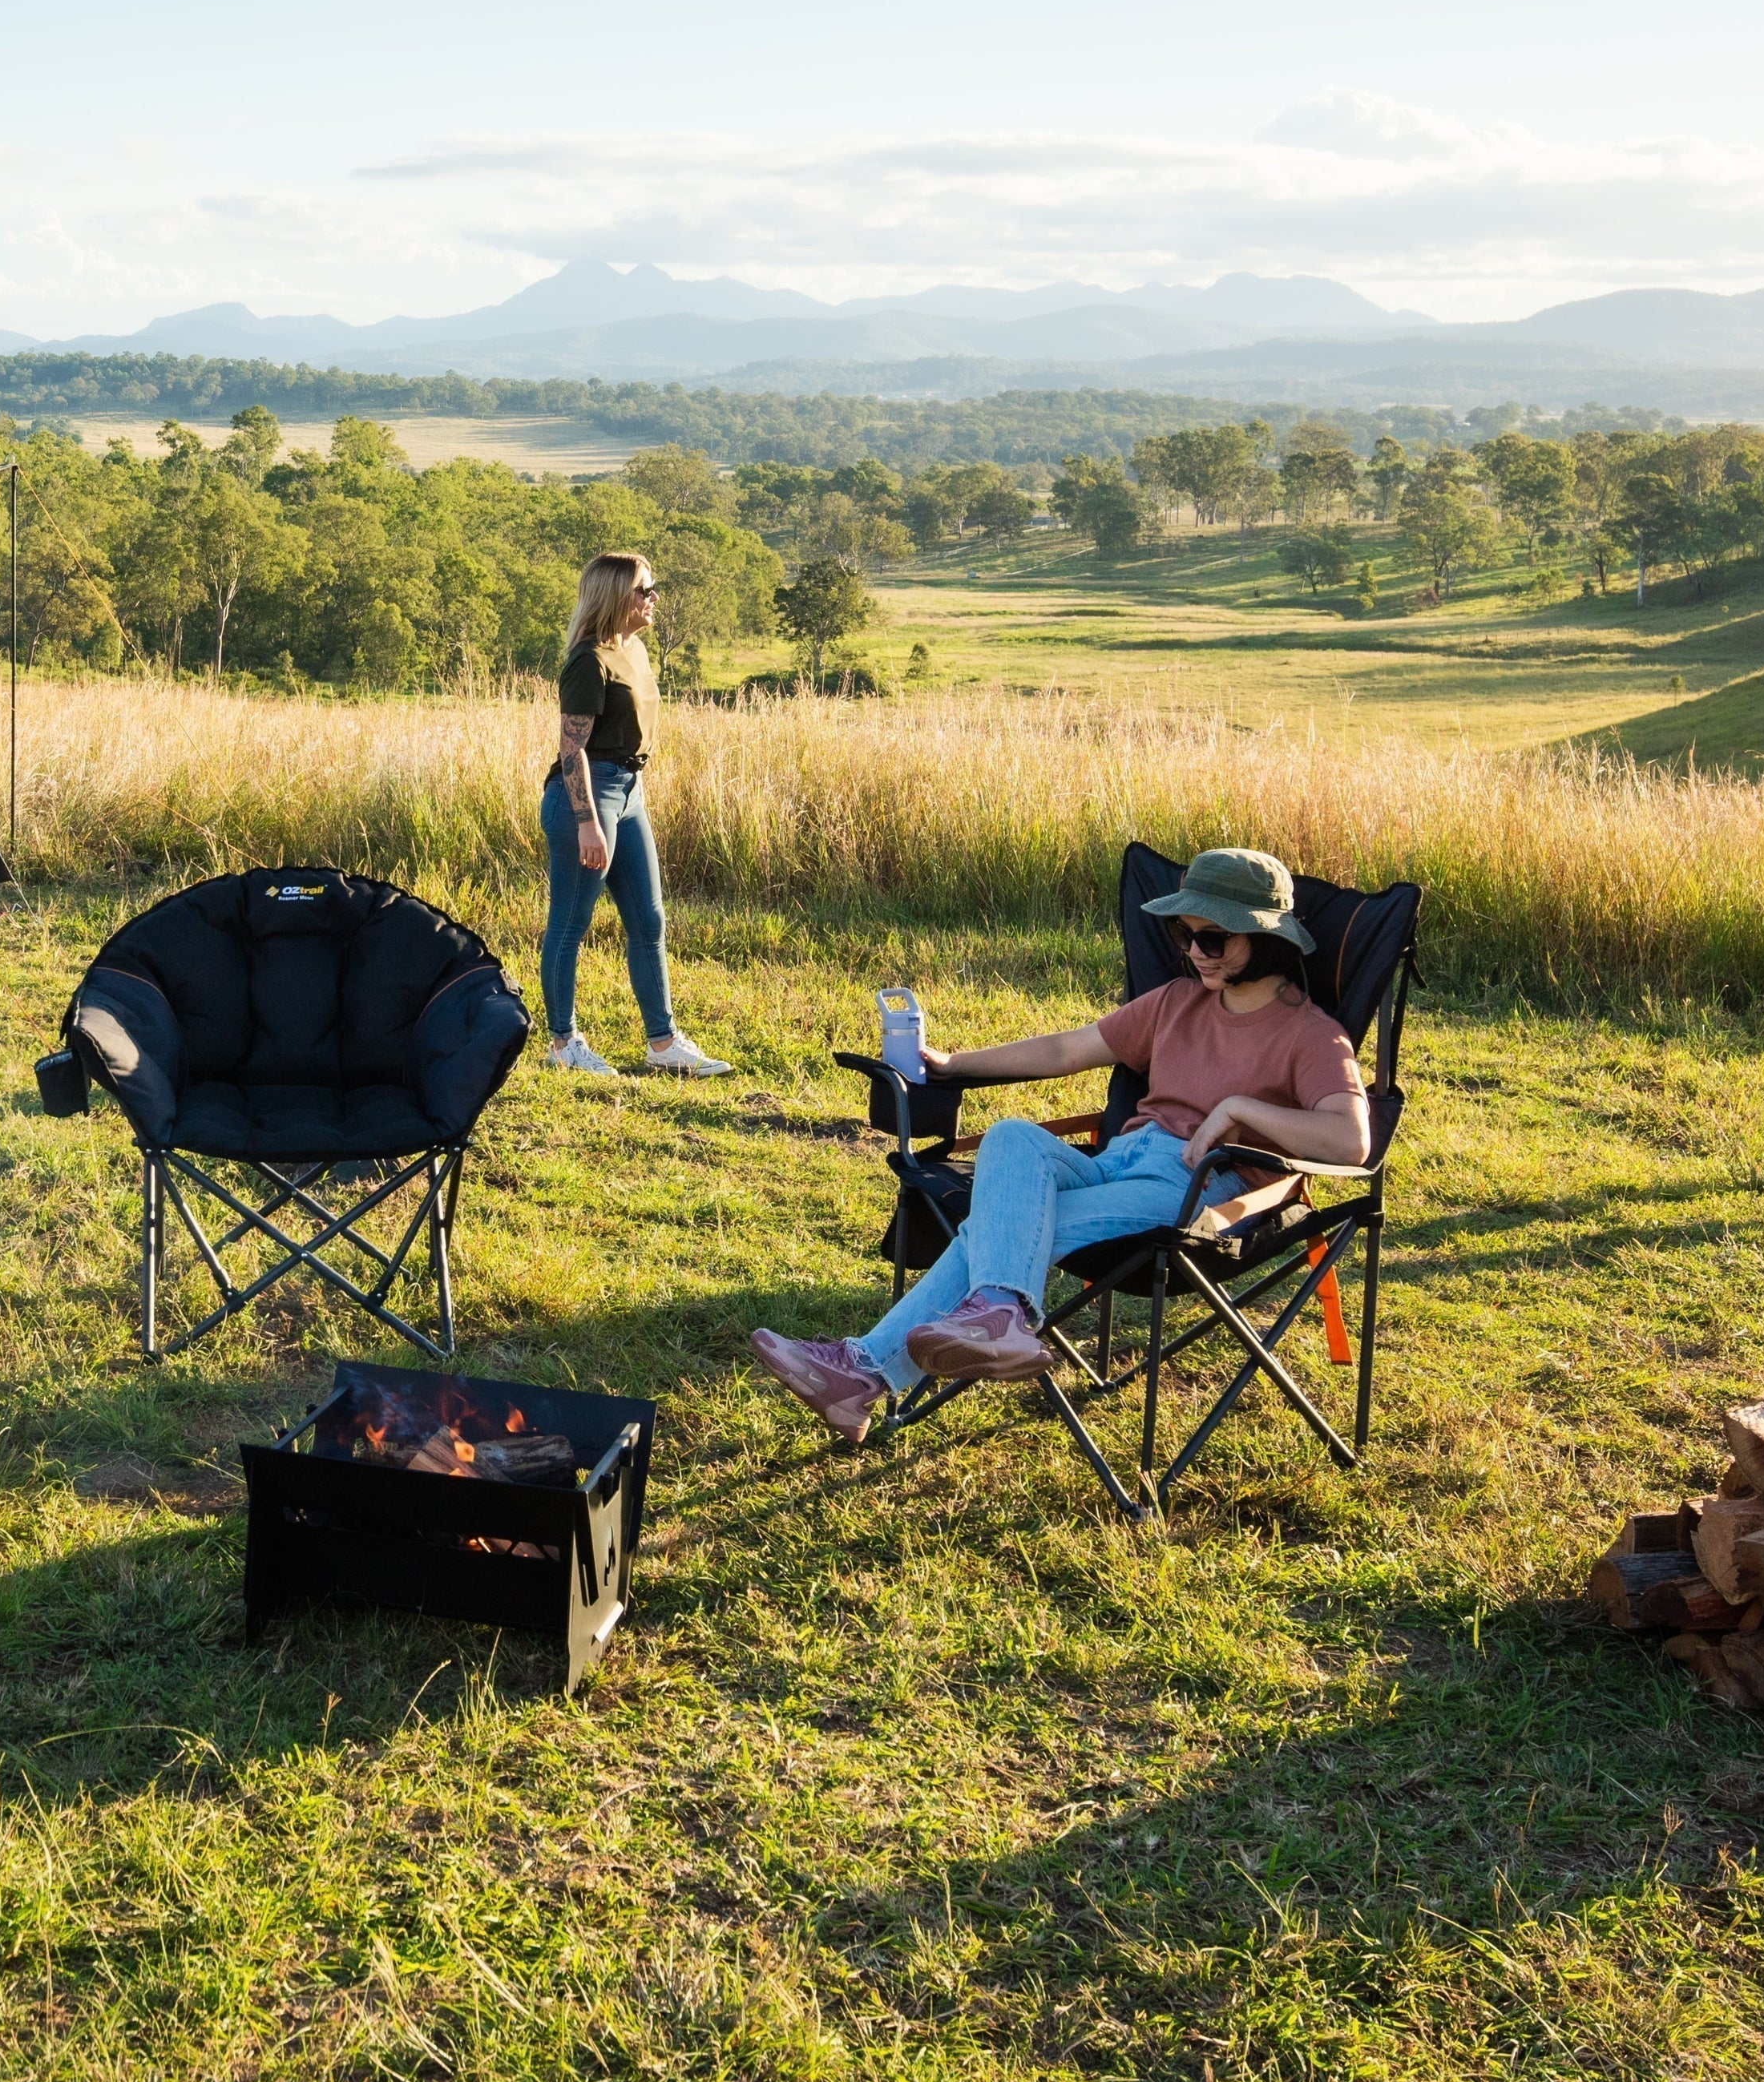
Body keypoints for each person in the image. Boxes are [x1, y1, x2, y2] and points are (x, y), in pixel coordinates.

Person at [750, 846, 1370, 1443]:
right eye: (1185, 937)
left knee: (1002, 1224)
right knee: (1013, 1138)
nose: (1194, 953)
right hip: (1119, 1160)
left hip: (1195, 1190)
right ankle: (995, 1316)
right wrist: (953, 1064)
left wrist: (1238, 1110)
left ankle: (867, 1371)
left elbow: (1351, 1140)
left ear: (1263, 938)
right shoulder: (1178, 1002)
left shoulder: (1311, 1036)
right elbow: (1066, 1050)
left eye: (1212, 939)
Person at [539, 548, 729, 1076]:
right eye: (645, 589)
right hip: (587, 796)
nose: (654, 598)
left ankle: (664, 1046)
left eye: (653, 587)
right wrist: (586, 824)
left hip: (628, 790)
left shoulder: (636, 651)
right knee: (570, 923)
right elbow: (570, 748)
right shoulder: (588, 659)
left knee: (648, 921)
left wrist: (624, 796)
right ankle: (563, 1045)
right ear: (616, 596)